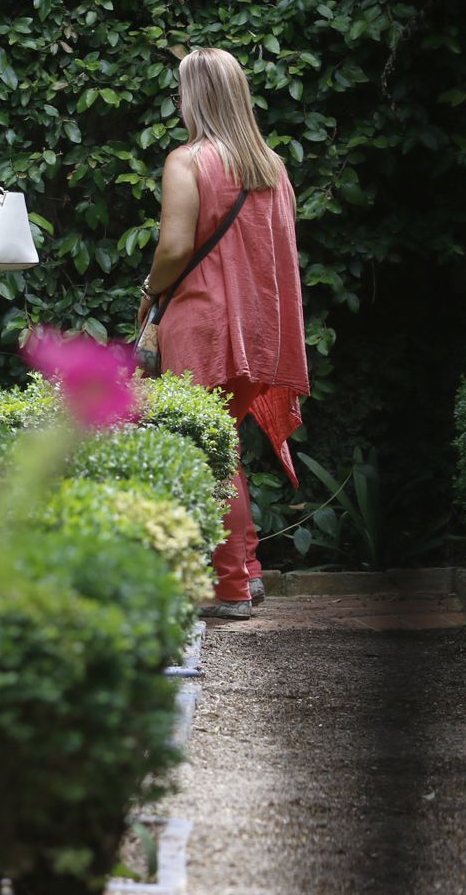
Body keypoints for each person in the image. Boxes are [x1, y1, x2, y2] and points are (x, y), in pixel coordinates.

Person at [136, 48, 310, 620]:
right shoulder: (271, 166)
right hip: (256, 330)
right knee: (225, 444)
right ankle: (251, 570)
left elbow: (175, 248)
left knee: (207, 452)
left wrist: (148, 289)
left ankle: (230, 587)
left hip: (204, 324)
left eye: (182, 91)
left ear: (196, 97)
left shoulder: (187, 161)